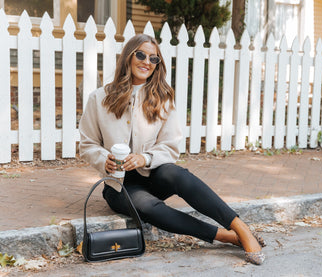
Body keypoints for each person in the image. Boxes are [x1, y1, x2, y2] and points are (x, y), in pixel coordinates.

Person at [79, 34, 265, 265]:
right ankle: (224, 236)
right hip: (119, 186)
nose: (146, 61)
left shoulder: (163, 98)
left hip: (152, 174)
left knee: (176, 173)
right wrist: (103, 158)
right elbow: (87, 145)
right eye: (140, 54)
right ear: (128, 57)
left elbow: (171, 146)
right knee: (149, 207)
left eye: (153, 58)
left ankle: (240, 227)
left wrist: (144, 158)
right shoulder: (99, 98)